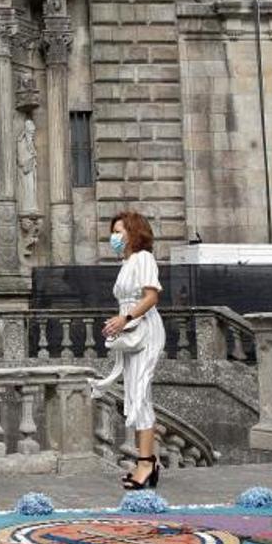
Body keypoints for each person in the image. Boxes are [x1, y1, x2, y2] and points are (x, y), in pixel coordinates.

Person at [101, 210, 166, 490]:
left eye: (119, 231)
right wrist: (118, 324)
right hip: (130, 330)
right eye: (113, 232)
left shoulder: (143, 258)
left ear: (134, 232)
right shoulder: (126, 262)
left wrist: (125, 319)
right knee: (135, 396)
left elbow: (151, 296)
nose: (114, 237)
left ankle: (146, 464)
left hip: (145, 330)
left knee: (140, 395)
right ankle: (147, 462)